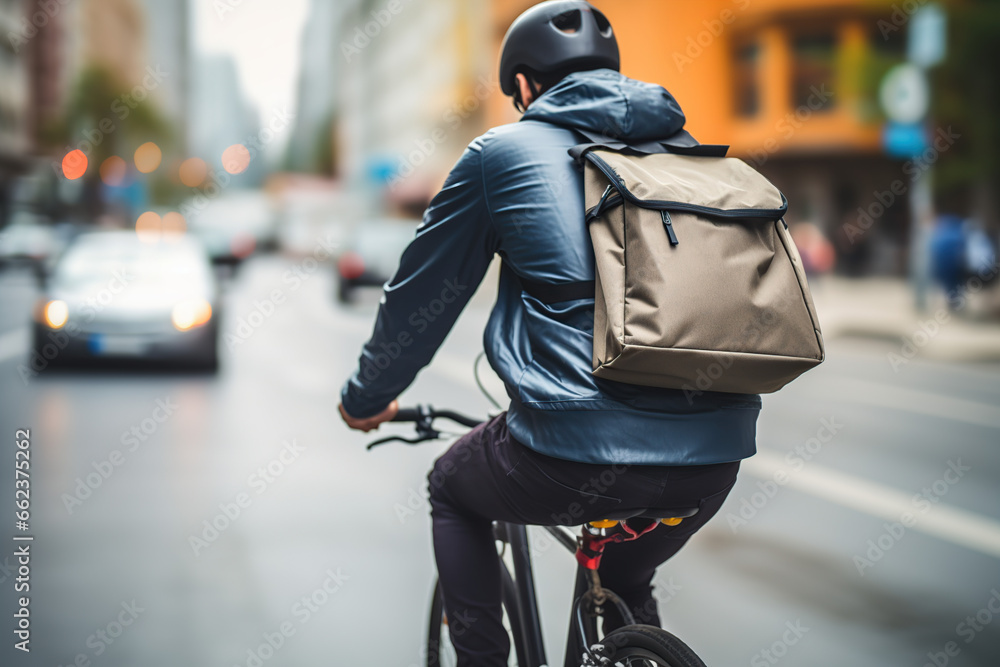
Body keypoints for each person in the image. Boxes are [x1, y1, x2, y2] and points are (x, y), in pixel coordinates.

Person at [339, 2, 760, 664]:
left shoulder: (499, 154)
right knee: (623, 576)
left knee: (452, 483)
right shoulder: (688, 153)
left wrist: (366, 397)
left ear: (527, 86)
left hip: (571, 449)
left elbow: (421, 299)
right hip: (716, 458)